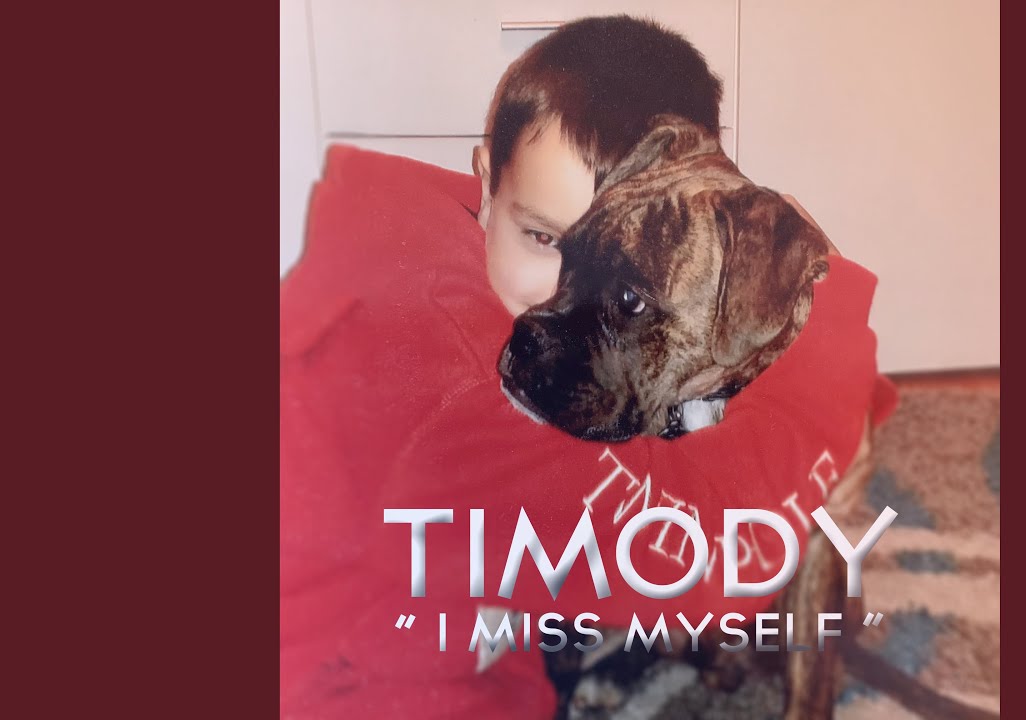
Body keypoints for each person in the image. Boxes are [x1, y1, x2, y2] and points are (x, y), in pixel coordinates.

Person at [281, 15, 896, 718]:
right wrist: (830, 332)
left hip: (445, 648)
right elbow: (701, 558)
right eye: (549, 241)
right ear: (486, 183)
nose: (558, 302)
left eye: (624, 295)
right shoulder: (436, 376)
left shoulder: (442, 252)